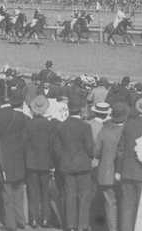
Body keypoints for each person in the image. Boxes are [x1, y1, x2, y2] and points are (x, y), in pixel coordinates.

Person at [0, 90, 29, 231]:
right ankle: (21, 220)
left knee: (7, 195)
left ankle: (10, 224)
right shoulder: (24, 118)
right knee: (19, 192)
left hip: (4, 160)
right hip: (20, 158)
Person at [54, 96, 95, 231]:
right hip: (83, 165)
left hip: (66, 165)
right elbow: (90, 148)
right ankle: (82, 225)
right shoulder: (86, 127)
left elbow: (57, 148)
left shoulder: (61, 126)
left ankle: (70, 225)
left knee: (70, 195)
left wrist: (64, 159)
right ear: (80, 110)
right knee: (84, 196)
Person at [116, 96, 142, 231]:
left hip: (127, 170)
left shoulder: (128, 124)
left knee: (127, 206)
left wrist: (118, 170)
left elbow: (121, 149)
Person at [95, 102, 129, 231]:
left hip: (106, 173)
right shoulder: (128, 131)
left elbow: (96, 152)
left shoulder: (105, 130)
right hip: (125, 172)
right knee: (125, 204)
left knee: (110, 204)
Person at [25, 95, 55, 228]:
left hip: (31, 162)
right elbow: (52, 145)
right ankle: (45, 219)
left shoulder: (28, 124)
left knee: (33, 192)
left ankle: (34, 219)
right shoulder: (49, 125)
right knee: (45, 193)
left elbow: (24, 143)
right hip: (45, 162)